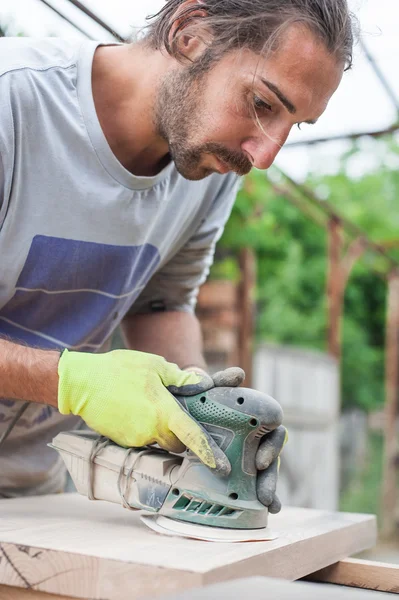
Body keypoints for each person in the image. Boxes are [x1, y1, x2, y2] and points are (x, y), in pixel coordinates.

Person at [0, 0, 354, 501]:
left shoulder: (209, 169)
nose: (266, 154)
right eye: (262, 104)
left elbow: (161, 303)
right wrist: (73, 380)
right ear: (190, 33)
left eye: (293, 126)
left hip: (29, 494)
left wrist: (209, 416)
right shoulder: (11, 102)